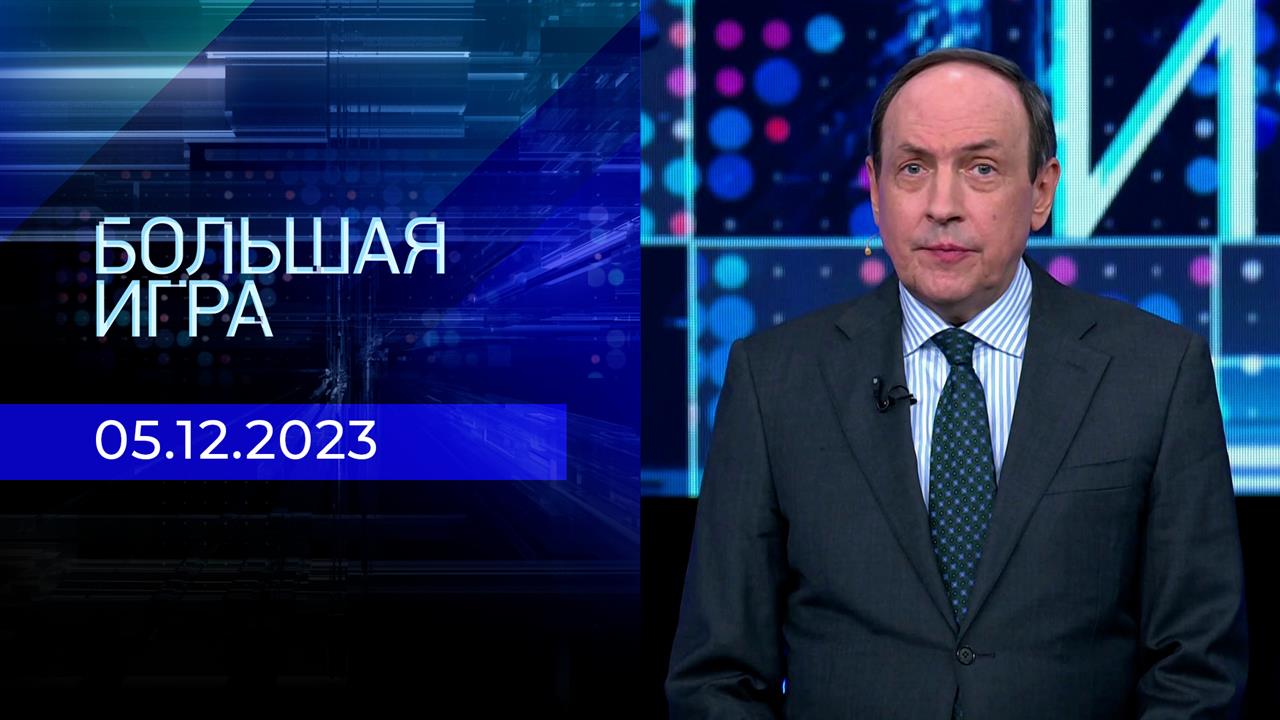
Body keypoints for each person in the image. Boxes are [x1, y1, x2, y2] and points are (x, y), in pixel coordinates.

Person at [666, 48, 1248, 718]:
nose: (942, 206)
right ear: (875, 191)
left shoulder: (1158, 373)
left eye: (981, 168)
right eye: (913, 168)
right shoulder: (773, 381)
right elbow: (717, 677)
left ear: (1041, 191)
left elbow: (1197, 669)